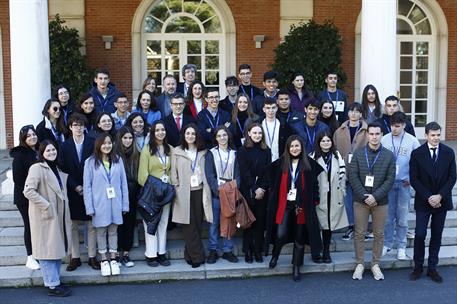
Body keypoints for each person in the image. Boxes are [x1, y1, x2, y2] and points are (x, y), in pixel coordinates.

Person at [266, 135, 323, 282]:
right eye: (291, 146)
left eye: (297, 146)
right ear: (287, 148)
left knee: (299, 238)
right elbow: (273, 183)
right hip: (285, 205)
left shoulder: (309, 164)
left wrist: (315, 200)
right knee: (281, 234)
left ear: (301, 147)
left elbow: (314, 185)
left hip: (302, 206)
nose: (294, 149)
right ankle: (275, 255)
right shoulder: (280, 164)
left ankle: (296, 267)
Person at [23, 140, 72, 297]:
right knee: (47, 251)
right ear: (41, 153)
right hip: (45, 216)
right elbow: (28, 191)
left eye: (53, 150)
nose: (52, 153)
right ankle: (52, 285)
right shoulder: (37, 168)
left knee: (55, 249)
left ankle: (55, 280)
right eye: (48, 151)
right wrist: (46, 205)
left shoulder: (55, 167)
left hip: (57, 215)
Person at [409, 122, 456, 283]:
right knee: (420, 234)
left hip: (442, 201)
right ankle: (418, 267)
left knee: (437, 235)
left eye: (438, 135)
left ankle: (432, 269)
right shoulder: (417, 153)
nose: (436, 138)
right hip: (424, 200)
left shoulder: (449, 153)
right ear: (426, 135)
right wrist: (429, 196)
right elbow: (414, 178)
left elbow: (452, 177)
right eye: (432, 135)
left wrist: (440, 196)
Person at [348, 122, 395, 281]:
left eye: (377, 134)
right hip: (361, 201)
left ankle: (375, 264)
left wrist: (375, 196)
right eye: (371, 134)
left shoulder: (389, 155)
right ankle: (360, 264)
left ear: (382, 135)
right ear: (367, 134)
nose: (374, 137)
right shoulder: (358, 153)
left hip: (380, 202)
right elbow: (352, 176)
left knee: (379, 234)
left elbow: (390, 179)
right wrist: (365, 196)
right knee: (359, 233)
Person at [83, 134, 129, 277]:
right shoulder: (90, 162)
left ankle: (113, 258)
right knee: (101, 232)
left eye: (109, 143)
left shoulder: (117, 160)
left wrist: (125, 204)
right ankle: (104, 259)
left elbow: (123, 184)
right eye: (104, 143)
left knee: (113, 231)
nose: (107, 146)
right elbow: (87, 187)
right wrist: (89, 207)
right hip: (99, 204)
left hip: (115, 202)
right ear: (98, 145)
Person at [59, 113, 99, 272]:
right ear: (70, 127)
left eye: (81, 125)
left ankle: (92, 257)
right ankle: (74, 257)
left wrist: (87, 186)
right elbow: (62, 170)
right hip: (72, 189)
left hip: (91, 188)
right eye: (75, 125)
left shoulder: (92, 142)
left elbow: (97, 165)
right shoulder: (64, 146)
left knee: (91, 225)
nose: (78, 128)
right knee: (73, 225)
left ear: (85, 127)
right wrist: (76, 186)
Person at [170, 123, 212, 268]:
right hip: (183, 192)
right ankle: (197, 257)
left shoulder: (203, 152)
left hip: (200, 191)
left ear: (197, 136)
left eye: (193, 133)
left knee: (198, 224)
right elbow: (173, 174)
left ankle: (188, 254)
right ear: (183, 135)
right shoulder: (176, 151)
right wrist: (176, 188)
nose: (190, 136)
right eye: (187, 133)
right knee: (188, 225)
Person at [380, 112, 420, 260]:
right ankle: (388, 244)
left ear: (404, 125)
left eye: (397, 126)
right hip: (388, 184)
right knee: (388, 217)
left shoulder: (413, 141)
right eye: (392, 126)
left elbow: (418, 163)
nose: (394, 129)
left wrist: (412, 178)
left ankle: (401, 246)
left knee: (402, 217)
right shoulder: (384, 139)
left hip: (404, 183)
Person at [138, 120, 172, 267]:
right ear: (152, 133)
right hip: (151, 193)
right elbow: (142, 174)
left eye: (162, 130)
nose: (160, 132)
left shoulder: (170, 149)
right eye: (157, 130)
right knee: (150, 223)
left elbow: (171, 171)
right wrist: (155, 188)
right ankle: (151, 254)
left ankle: (161, 253)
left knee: (163, 223)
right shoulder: (147, 149)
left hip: (165, 193)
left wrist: (167, 187)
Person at [204, 126, 240, 264]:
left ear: (228, 136)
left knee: (229, 222)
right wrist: (217, 190)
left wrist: (233, 189)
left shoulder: (234, 153)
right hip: (217, 193)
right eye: (219, 136)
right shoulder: (211, 153)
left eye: (224, 135)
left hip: (230, 192)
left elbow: (237, 174)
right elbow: (210, 174)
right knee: (213, 223)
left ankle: (227, 250)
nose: (222, 138)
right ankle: (213, 249)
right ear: (216, 138)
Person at [333, 102, 368, 241]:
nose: (354, 114)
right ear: (347, 113)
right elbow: (334, 150)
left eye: (357, 111)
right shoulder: (339, 130)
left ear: (360, 114)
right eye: (351, 111)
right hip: (345, 171)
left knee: (361, 200)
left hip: (362, 172)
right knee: (348, 200)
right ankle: (351, 227)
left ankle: (362, 229)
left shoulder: (367, 130)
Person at [237, 123, 271, 263]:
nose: (257, 135)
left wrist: (262, 188)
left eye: (259, 133)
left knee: (260, 223)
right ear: (249, 134)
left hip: (262, 193)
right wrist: (254, 188)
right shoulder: (243, 150)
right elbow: (244, 172)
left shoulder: (267, 150)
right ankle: (248, 251)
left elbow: (268, 171)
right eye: (255, 133)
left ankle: (258, 251)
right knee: (248, 223)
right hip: (247, 191)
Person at [311, 131, 347, 263]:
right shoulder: (312, 157)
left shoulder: (337, 156)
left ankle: (326, 251)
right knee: (318, 225)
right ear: (318, 143)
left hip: (333, 196)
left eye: (328, 141)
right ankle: (316, 251)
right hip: (318, 195)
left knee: (329, 226)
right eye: (323, 141)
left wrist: (342, 193)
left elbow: (343, 176)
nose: (326, 143)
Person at [10, 125, 39, 270]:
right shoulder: (20, 155)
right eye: (29, 136)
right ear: (23, 139)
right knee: (29, 226)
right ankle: (30, 257)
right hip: (25, 198)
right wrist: (31, 193)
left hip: (38, 196)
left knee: (37, 226)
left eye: (34, 134)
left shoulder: (38, 151)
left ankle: (38, 253)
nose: (32, 137)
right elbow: (18, 179)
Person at [115, 126, 140, 267]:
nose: (128, 140)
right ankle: (117, 253)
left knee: (130, 223)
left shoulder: (137, 154)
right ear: (120, 138)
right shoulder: (114, 154)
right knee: (118, 224)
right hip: (117, 194)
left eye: (130, 138)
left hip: (132, 194)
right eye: (125, 138)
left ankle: (126, 254)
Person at [275, 91, 301, 156]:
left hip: (294, 148)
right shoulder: (273, 116)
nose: (284, 101)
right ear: (277, 101)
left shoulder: (299, 115)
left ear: (290, 101)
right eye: (281, 99)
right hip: (278, 148)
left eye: (286, 99)